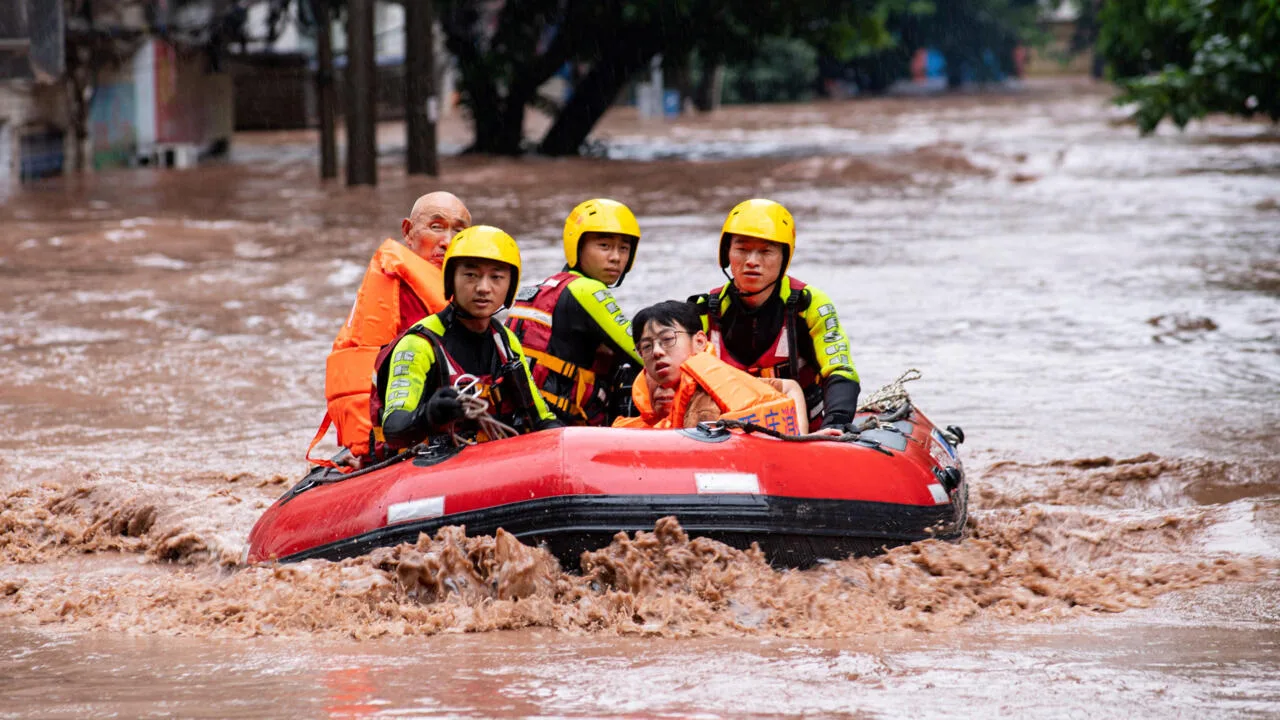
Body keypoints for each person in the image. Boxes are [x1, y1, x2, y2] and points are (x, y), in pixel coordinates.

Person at [308, 192, 471, 465]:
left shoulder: (449, 289)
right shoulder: (402, 290)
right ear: (408, 231)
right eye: (436, 227)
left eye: (459, 231)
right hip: (393, 435)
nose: (448, 241)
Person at [370, 225, 562, 453]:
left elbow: (541, 418)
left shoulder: (505, 341)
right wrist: (431, 413)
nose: (483, 288)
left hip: (492, 463)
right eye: (470, 275)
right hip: (428, 469)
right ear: (451, 280)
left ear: (510, 287)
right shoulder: (419, 344)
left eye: (496, 277)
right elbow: (395, 430)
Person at [690, 199, 860, 430]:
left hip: (806, 428)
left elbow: (840, 369)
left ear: (784, 258)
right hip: (725, 431)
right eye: (742, 249)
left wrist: (837, 423)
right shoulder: (703, 309)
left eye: (766, 251)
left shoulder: (809, 304)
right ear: (726, 253)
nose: (752, 261)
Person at [506, 198, 643, 426]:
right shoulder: (587, 290)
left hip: (520, 418)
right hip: (561, 426)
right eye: (604, 246)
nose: (615, 257)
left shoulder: (545, 287)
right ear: (577, 247)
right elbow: (641, 351)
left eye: (624, 248)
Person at [612, 300, 807, 432]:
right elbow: (790, 387)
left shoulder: (708, 402)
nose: (656, 351)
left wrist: (801, 440)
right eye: (646, 346)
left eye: (667, 339)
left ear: (699, 342)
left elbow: (790, 387)